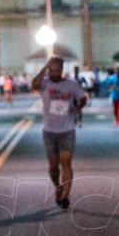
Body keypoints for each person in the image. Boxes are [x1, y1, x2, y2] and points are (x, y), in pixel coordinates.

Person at [31, 56, 88, 209]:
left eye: (57, 71)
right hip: (49, 131)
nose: (54, 74)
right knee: (53, 166)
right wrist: (44, 68)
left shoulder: (72, 85)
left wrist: (78, 107)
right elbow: (34, 84)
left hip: (67, 130)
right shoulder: (45, 83)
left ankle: (65, 197)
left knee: (66, 162)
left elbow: (82, 98)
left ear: (62, 70)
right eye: (51, 70)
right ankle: (58, 186)